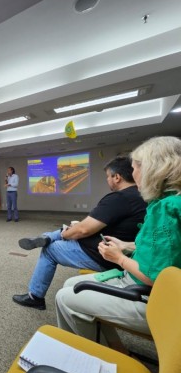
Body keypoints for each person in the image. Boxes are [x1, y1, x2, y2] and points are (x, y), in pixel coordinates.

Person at [55, 136, 181, 343]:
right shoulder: (167, 203)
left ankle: (92, 357)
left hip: (151, 298)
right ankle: (113, 349)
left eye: (134, 168)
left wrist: (119, 258)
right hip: (143, 285)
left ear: (152, 169)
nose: (132, 174)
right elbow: (162, 251)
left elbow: (158, 277)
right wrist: (126, 246)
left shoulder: (166, 211)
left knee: (65, 298)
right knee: (70, 282)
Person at [13, 156, 147, 310]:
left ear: (117, 177)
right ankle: (49, 236)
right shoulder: (143, 196)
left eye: (108, 177)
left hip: (103, 255)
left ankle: (35, 296)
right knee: (72, 228)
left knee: (51, 249)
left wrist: (68, 233)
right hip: (119, 250)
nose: (107, 180)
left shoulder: (119, 198)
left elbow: (85, 230)